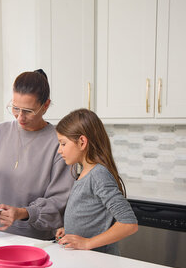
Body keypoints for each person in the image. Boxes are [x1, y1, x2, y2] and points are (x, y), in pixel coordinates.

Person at [0, 70, 74, 240]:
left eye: (28, 111)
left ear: (45, 105)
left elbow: (59, 201)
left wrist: (24, 213)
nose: (20, 117)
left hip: (34, 241)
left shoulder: (58, 142)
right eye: (15, 108)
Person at [55, 109, 138, 254]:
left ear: (82, 142)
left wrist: (87, 243)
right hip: (87, 259)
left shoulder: (98, 175)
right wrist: (69, 230)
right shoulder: (84, 173)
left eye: (63, 144)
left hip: (100, 260)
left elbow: (129, 223)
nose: (59, 150)